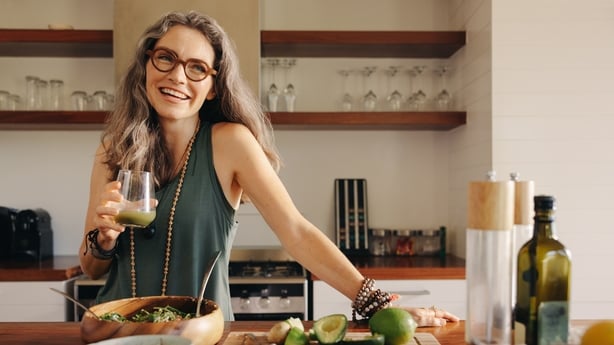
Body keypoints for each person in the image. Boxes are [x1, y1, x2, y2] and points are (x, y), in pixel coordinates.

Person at [79, 10, 459, 326]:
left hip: (200, 335)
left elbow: (296, 232)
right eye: (166, 58)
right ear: (148, 63)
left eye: (196, 68)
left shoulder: (230, 143)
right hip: (114, 333)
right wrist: (103, 239)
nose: (178, 76)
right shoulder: (112, 150)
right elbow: (92, 267)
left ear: (212, 86)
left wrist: (376, 302)